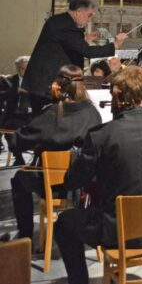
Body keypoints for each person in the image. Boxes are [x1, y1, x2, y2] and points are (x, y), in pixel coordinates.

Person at [54, 66, 142, 283]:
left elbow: (74, 181)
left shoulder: (101, 134)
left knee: (64, 223)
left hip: (117, 230)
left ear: (115, 94)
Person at [7, 65, 102, 241]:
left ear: (58, 85)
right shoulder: (92, 112)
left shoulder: (53, 113)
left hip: (54, 186)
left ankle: (25, 236)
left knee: (19, 179)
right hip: (82, 183)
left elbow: (17, 142)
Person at [23, 0, 128, 116]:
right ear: (78, 11)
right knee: (47, 121)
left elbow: (65, 45)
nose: (89, 20)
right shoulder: (66, 26)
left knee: (49, 121)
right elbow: (87, 52)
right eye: (89, 15)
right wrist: (115, 45)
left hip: (44, 81)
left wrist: (83, 40)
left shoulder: (60, 21)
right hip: (46, 83)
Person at [1, 56, 32, 166]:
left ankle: (38, 156)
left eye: (27, 68)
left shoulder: (37, 80)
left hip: (32, 115)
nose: (24, 71)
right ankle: (18, 157)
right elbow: (1, 96)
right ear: (17, 69)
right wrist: (15, 91)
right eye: (21, 68)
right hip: (15, 115)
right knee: (9, 129)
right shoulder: (10, 81)